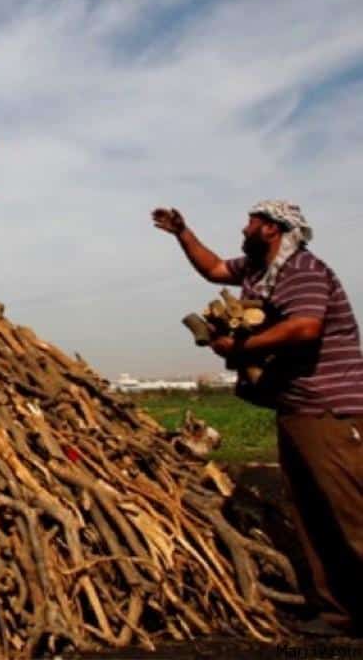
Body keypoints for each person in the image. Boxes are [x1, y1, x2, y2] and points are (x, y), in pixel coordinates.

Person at [153, 201, 363, 636]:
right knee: (313, 514)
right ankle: (340, 614)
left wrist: (242, 348)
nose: (243, 226)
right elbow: (212, 269)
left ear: (272, 228)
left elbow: (305, 327)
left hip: (331, 410)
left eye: (251, 220)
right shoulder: (257, 271)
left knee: (351, 514)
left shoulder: (301, 270)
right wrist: (182, 233)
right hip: (298, 408)